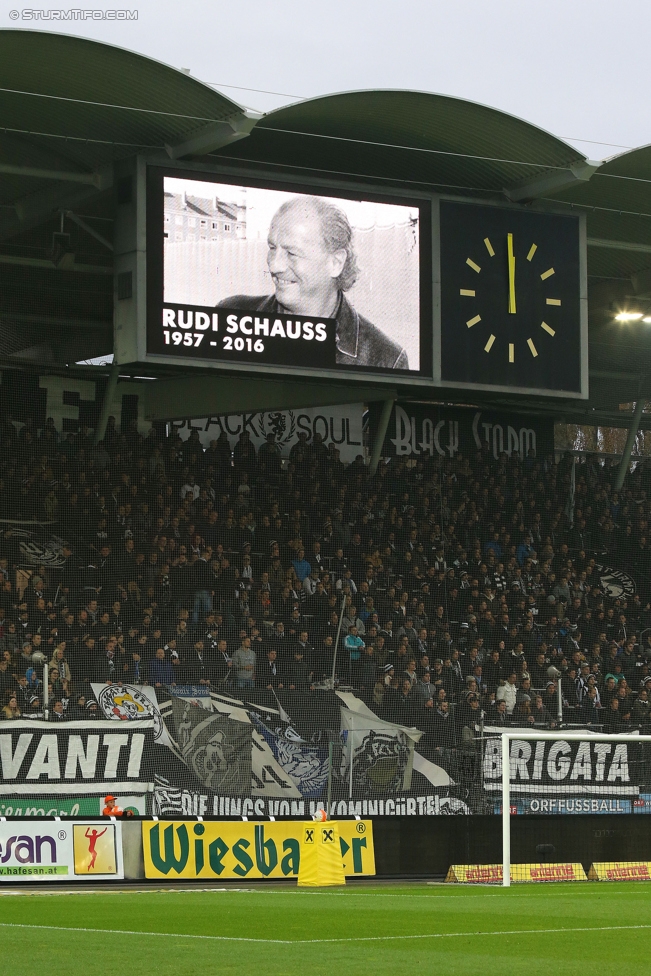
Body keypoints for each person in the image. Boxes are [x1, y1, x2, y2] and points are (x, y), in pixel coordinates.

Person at [217, 196, 408, 369]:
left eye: (292, 253)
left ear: (335, 263)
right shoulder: (229, 316)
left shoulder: (386, 359)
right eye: (272, 248)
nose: (274, 266)